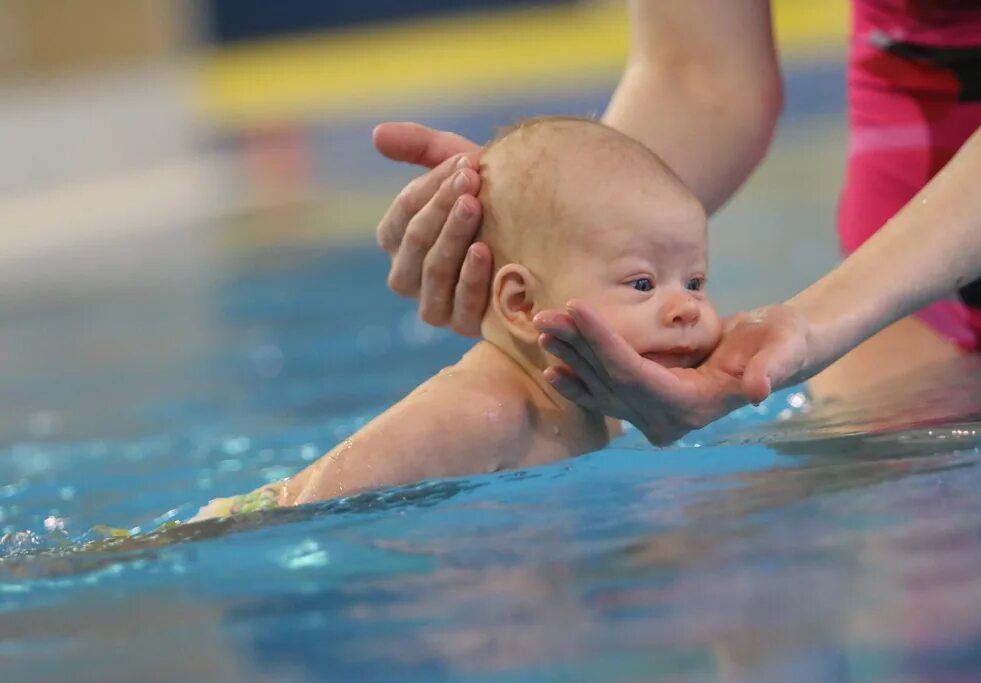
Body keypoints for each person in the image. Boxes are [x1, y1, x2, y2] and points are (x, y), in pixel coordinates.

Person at [372, 0, 981, 446]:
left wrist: (813, 323)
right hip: (925, 295)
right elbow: (700, 75)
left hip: (891, 282)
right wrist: (546, 233)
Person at [193, 116, 720, 519]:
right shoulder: (476, 412)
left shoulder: (603, 407)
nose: (685, 309)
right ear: (521, 304)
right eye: (643, 284)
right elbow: (308, 505)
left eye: (695, 282)